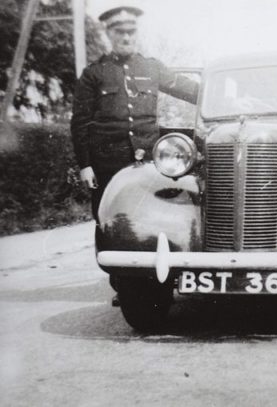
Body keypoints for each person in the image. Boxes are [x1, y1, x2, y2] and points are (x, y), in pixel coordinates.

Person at [70, 4, 198, 304]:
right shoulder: (94, 73)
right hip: (108, 162)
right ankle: (121, 283)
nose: (126, 37)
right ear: (109, 34)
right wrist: (85, 165)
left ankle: (144, 280)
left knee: (152, 216)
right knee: (110, 220)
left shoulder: (152, 67)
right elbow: (80, 122)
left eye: (131, 32)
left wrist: (225, 94)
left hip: (146, 161)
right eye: (120, 33)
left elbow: (188, 89)